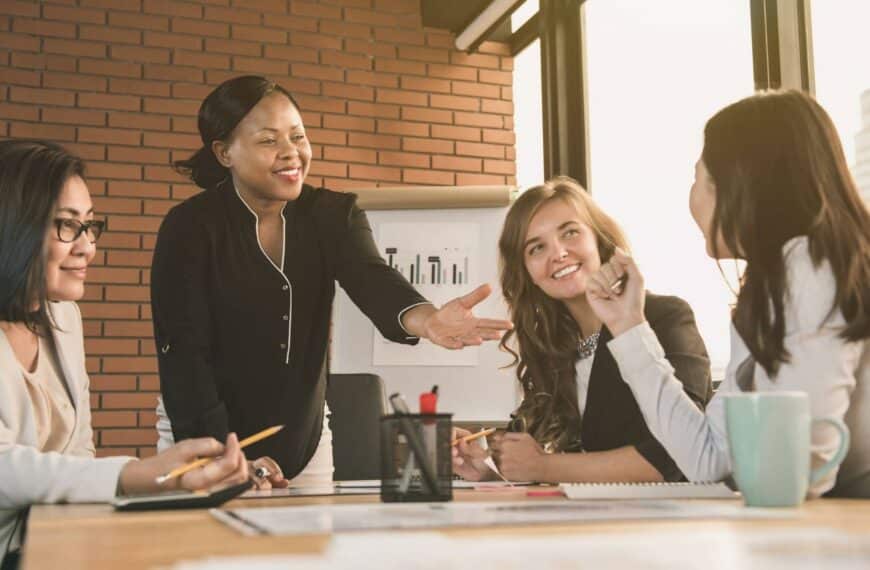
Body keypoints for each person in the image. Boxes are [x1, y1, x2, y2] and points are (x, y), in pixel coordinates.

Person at [151, 75, 512, 488]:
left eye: (298, 136)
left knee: (310, 549)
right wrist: (224, 457)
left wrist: (427, 320)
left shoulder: (332, 214)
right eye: (269, 141)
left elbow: (373, 278)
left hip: (303, 436)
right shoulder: (189, 228)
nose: (291, 153)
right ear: (223, 152)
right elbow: (183, 355)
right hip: (203, 433)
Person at [585, 90, 869, 497]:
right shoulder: (774, 284)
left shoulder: (810, 266)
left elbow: (800, 471)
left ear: (741, 185)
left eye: (699, 178)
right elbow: (706, 460)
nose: (692, 199)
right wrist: (627, 325)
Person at [0, 140, 249, 567]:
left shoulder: (64, 319)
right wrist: (136, 476)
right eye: (66, 225)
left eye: (91, 225)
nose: (87, 246)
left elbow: (77, 454)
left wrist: (169, 485)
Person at [452, 177, 712, 483]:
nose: (559, 253)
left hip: (666, 524)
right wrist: (486, 469)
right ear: (528, 274)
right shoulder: (551, 348)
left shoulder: (663, 317)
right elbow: (554, 465)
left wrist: (544, 466)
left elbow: (680, 456)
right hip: (591, 523)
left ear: (598, 240)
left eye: (570, 233)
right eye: (536, 248)